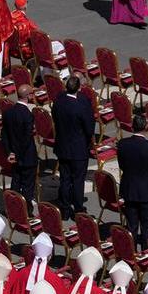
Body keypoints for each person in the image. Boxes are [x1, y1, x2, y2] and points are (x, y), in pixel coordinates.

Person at [115, 112, 148, 249]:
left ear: (132, 127)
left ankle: (131, 253)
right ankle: (146, 254)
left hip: (129, 190)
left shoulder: (122, 144)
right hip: (147, 191)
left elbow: (122, 165)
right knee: (147, 227)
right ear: (146, 127)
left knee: (131, 226)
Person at [52, 75, 95, 219]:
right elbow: (89, 128)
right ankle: (78, 209)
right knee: (78, 180)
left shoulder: (58, 100)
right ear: (79, 88)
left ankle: (64, 208)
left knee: (65, 179)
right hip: (78, 149)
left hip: (62, 146)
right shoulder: (81, 106)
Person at [1, 85, 39, 208]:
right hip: (26, 157)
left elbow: (4, 135)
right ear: (28, 96)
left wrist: (10, 153)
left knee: (16, 182)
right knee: (28, 187)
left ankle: (13, 208)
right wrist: (17, 155)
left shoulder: (8, 112)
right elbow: (26, 140)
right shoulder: (27, 115)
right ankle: (26, 210)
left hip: (14, 155)